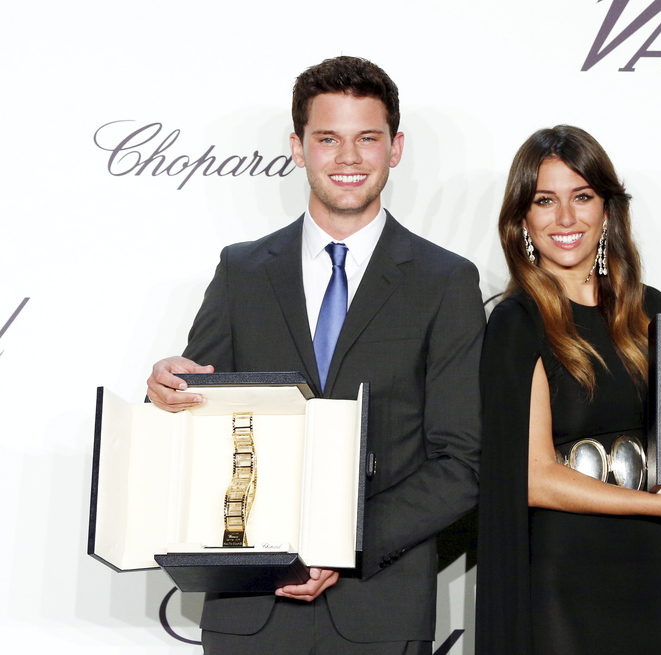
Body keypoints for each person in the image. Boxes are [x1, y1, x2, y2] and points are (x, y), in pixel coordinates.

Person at [146, 56, 485, 655]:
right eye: (327, 138)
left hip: (378, 608)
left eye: (367, 139)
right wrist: (167, 393)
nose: (348, 158)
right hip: (250, 607)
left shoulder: (445, 282)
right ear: (298, 148)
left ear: (396, 147)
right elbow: (202, 423)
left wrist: (341, 544)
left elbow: (462, 463)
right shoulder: (241, 270)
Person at [475, 125, 661, 655]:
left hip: (657, 564)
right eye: (545, 201)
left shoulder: (652, 310)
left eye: (582, 197)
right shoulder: (516, 321)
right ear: (522, 218)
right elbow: (534, 479)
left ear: (607, 210)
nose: (566, 219)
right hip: (567, 572)